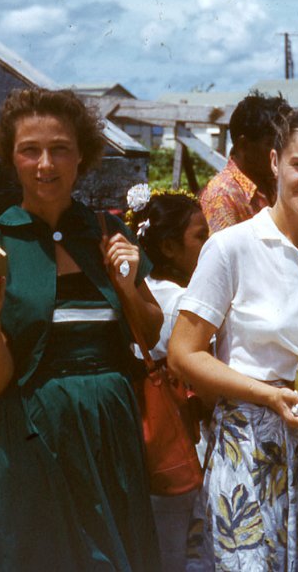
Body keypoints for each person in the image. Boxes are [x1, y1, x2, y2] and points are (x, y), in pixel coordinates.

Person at [169, 107, 298, 570]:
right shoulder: (231, 248)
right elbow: (183, 352)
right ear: (274, 162)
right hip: (250, 449)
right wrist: (270, 396)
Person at [0, 87, 162, 571]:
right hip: (30, 435)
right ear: (12, 158)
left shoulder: (109, 232)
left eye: (60, 149)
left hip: (106, 431)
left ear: (81, 157)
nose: (45, 164)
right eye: (30, 150)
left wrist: (129, 283)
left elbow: (150, 334)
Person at [128, 189, 209, 572]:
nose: (208, 247)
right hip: (178, 434)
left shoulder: (135, 297)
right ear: (169, 247)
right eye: (200, 237)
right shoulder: (186, 304)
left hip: (142, 430)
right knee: (178, 547)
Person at [199, 90, 292, 233]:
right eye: (271, 143)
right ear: (243, 145)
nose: (280, 151)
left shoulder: (274, 183)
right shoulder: (221, 197)